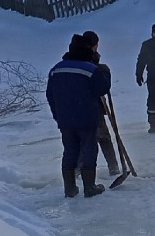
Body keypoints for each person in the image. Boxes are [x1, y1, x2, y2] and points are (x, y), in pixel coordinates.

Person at [46, 32, 111, 198]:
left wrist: (57, 115)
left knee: (70, 150)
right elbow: (102, 88)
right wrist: (105, 72)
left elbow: (50, 95)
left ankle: (70, 188)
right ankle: (89, 187)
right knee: (89, 149)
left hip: (65, 120)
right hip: (86, 118)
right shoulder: (89, 69)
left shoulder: (56, 69)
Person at [83, 30, 120, 176]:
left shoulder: (83, 54)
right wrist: (101, 70)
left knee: (97, 136)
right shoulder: (83, 56)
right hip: (89, 102)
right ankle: (112, 166)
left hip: (89, 102)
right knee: (96, 136)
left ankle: (113, 166)